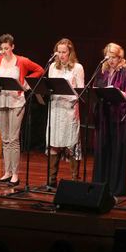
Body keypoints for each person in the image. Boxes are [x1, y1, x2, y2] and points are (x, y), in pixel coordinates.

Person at [0, 34, 44, 186]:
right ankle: (7, 172)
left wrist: (25, 84)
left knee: (13, 139)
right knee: (5, 138)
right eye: (1, 49)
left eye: (6, 48)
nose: (3, 51)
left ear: (12, 47)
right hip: (0, 102)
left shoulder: (22, 60)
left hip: (16, 103)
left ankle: (15, 173)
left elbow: (39, 70)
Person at [92, 43, 126, 197]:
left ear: (120, 57)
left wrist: (121, 94)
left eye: (114, 57)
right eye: (108, 57)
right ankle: (100, 185)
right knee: (102, 148)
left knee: (117, 150)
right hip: (104, 116)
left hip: (118, 117)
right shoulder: (101, 71)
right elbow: (95, 89)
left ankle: (116, 188)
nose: (111, 60)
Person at [47, 38, 85, 187]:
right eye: (59, 52)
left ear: (70, 53)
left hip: (69, 109)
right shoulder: (52, 67)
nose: (61, 55)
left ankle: (75, 180)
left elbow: (81, 91)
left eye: (64, 52)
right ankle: (51, 180)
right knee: (54, 143)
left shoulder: (77, 67)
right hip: (55, 109)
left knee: (71, 144)